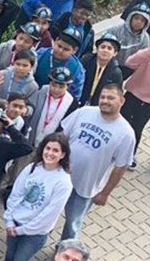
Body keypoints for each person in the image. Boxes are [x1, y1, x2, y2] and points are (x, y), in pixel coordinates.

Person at [0, 133, 73, 261]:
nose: (50, 153)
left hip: (34, 233)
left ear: (63, 154)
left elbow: (49, 214)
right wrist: (9, 220)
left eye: (55, 150)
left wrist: (22, 230)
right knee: (9, 258)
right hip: (15, 224)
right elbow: (15, 194)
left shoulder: (63, 182)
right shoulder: (32, 168)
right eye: (48, 148)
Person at [57, 84, 135, 240]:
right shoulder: (84, 112)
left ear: (122, 101)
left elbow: (120, 167)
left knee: (73, 223)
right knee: (48, 212)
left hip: (86, 186)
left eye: (111, 98)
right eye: (102, 97)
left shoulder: (126, 133)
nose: (105, 101)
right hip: (60, 175)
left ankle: (65, 250)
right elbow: (61, 137)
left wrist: (105, 193)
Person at [81, 32, 124, 106]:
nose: (105, 50)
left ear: (115, 53)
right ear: (97, 49)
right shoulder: (86, 60)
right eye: (102, 47)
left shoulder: (116, 73)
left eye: (109, 48)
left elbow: (115, 94)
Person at [115, 3, 150, 77]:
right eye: (136, 18)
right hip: (111, 64)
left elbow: (143, 57)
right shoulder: (116, 30)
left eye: (142, 20)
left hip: (129, 69)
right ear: (130, 18)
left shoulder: (145, 38)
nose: (138, 22)